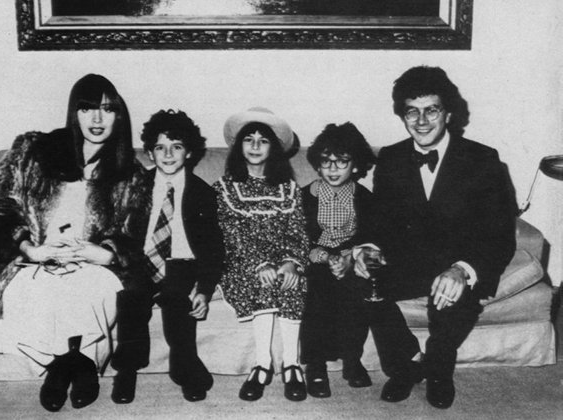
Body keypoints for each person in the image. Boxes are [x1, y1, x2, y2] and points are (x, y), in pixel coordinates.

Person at [0, 74, 150, 412]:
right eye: (87, 109)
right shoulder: (34, 152)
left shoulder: (131, 174)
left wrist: (104, 253)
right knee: (37, 289)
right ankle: (78, 364)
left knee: (91, 285)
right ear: (74, 113)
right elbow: (2, 209)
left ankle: (61, 368)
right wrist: (30, 248)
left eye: (107, 110)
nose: (97, 119)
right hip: (34, 258)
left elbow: (135, 237)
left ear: (119, 117)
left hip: (92, 263)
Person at [355, 66, 517, 409]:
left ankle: (439, 370)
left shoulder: (483, 160)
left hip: (458, 262)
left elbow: (498, 233)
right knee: (356, 281)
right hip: (408, 260)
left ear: (448, 113)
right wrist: (367, 250)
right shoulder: (392, 157)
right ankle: (407, 365)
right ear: (403, 115)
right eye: (412, 110)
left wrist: (462, 269)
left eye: (432, 109)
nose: (422, 120)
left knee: (450, 294)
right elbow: (380, 220)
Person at [110, 109, 224, 404]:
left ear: (189, 152)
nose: (169, 154)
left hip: (182, 264)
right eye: (160, 147)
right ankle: (127, 371)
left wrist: (205, 288)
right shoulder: (135, 186)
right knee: (131, 298)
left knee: (177, 303)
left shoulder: (203, 193)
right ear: (149, 153)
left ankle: (184, 367)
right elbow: (119, 231)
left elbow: (213, 247)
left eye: (177, 147)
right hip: (141, 261)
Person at [213, 107, 309, 402]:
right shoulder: (225, 188)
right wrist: (259, 263)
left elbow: (297, 230)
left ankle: (291, 364)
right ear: (238, 146)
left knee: (291, 282)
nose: (255, 146)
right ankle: (262, 364)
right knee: (264, 282)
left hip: (283, 260)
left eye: (263, 141)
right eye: (249, 139)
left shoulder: (288, 189)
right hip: (243, 262)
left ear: (274, 148)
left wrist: (292, 262)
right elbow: (231, 234)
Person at [299, 122, 377, 398]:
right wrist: (321, 256)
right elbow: (298, 236)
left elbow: (370, 234)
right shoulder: (305, 196)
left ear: (355, 165)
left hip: (350, 260)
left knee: (358, 291)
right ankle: (315, 364)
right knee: (317, 292)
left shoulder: (363, 197)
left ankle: (352, 360)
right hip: (314, 259)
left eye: (341, 162)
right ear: (317, 165)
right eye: (326, 162)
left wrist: (346, 256)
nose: (333, 169)